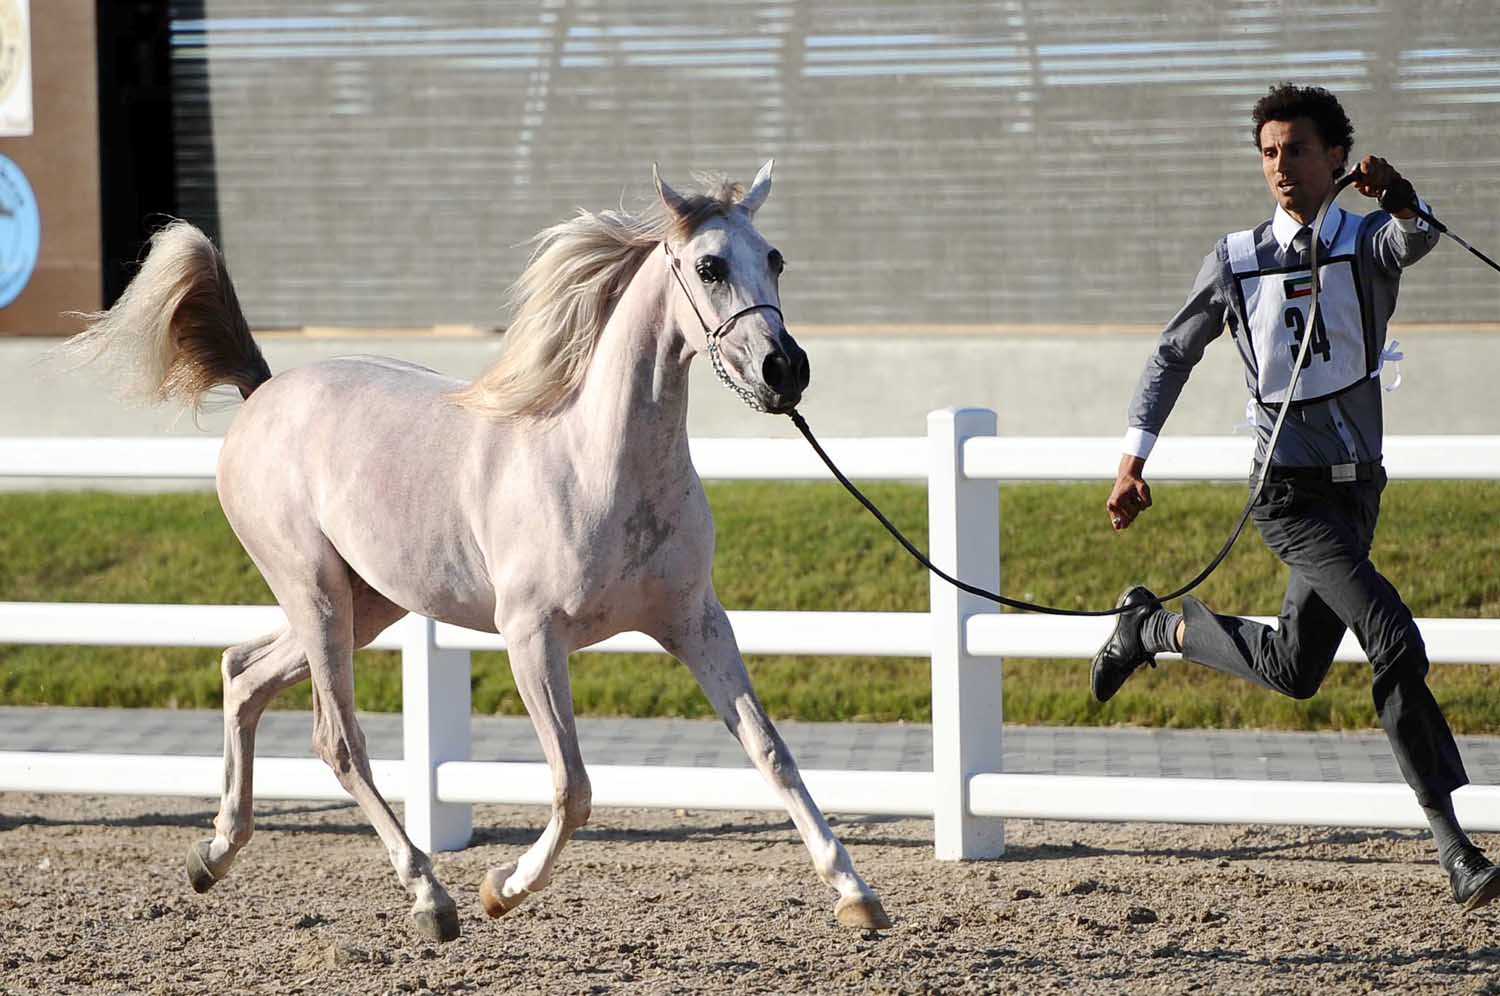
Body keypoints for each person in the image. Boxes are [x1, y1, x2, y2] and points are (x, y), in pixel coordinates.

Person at [1091, 82, 1500, 912]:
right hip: (1287, 497)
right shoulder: (1236, 259)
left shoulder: (1368, 241)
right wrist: (1133, 461)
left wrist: (1401, 193)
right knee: (1391, 636)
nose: (1282, 166)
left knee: (1295, 667)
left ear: (1337, 158)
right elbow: (1172, 356)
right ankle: (1454, 847)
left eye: (1299, 150)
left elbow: (1419, 236)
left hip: (1357, 494)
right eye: (1270, 153)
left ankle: (1150, 627)